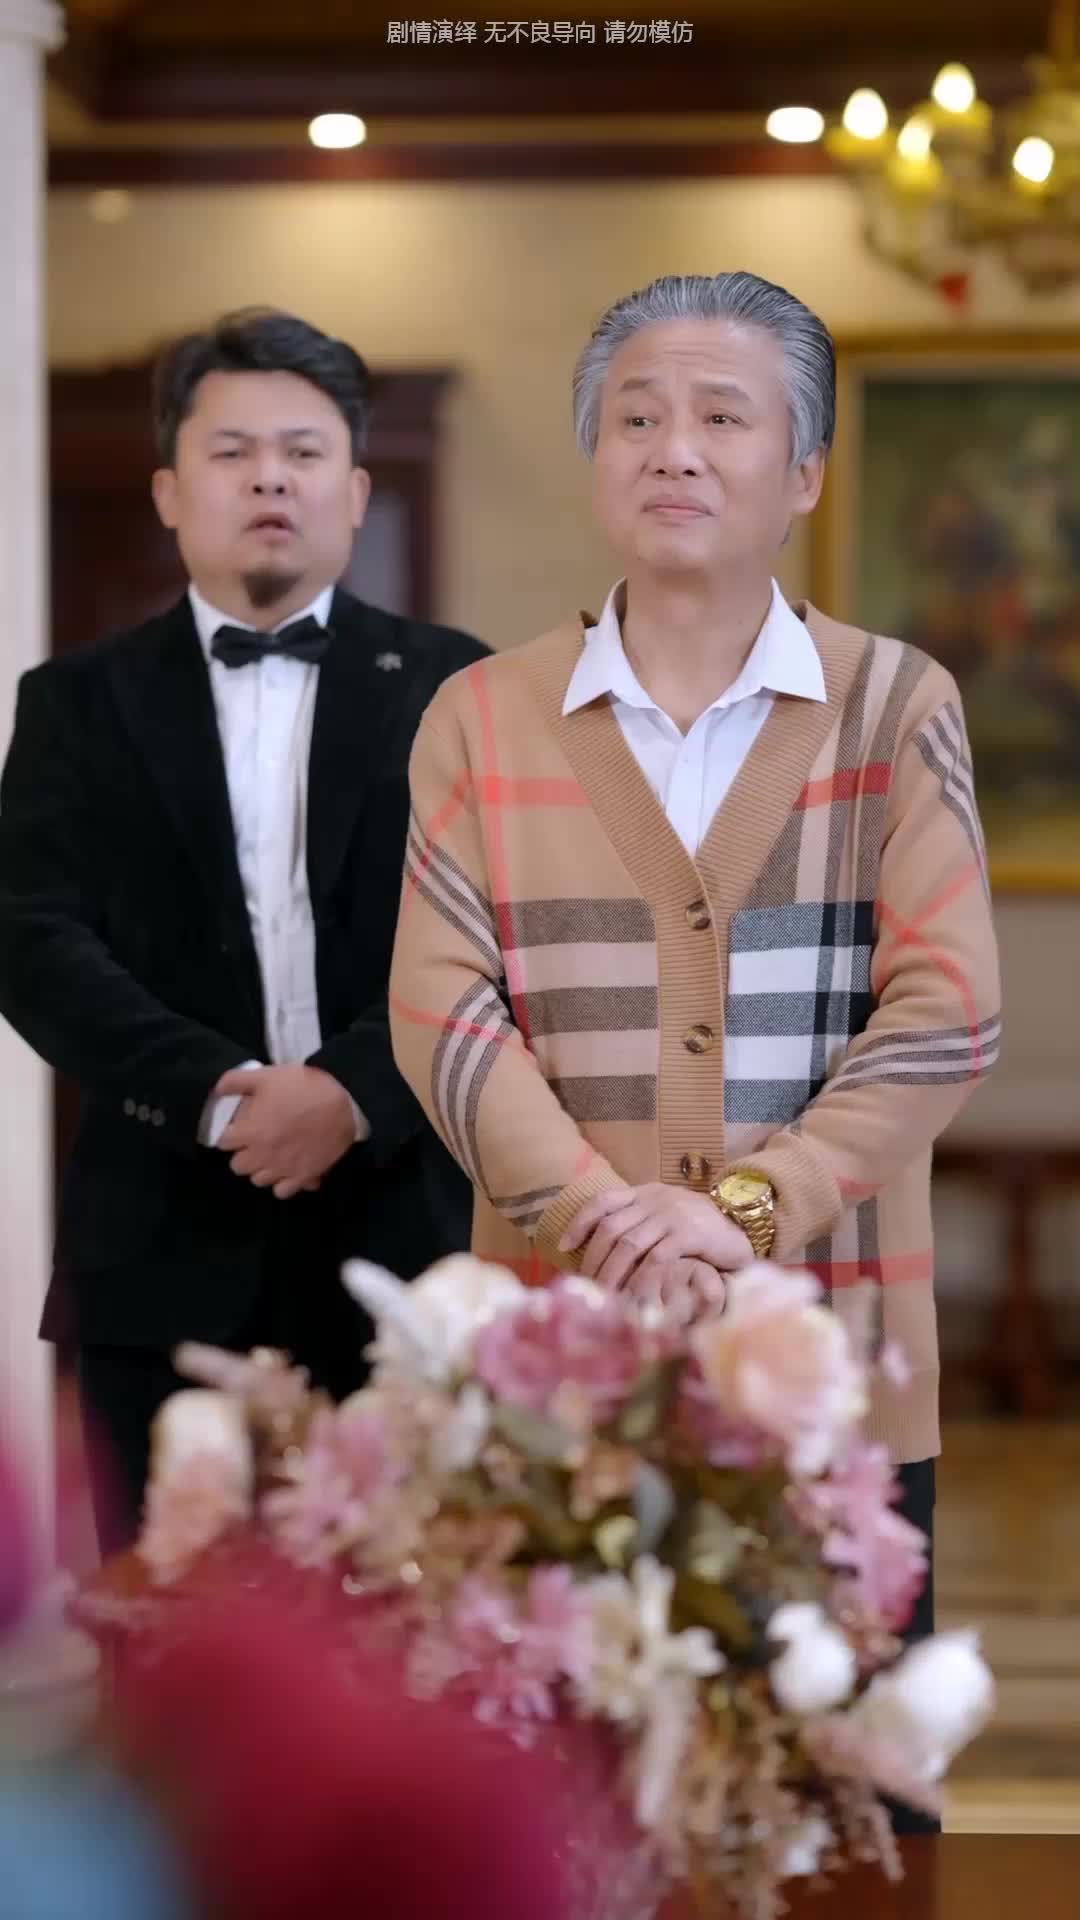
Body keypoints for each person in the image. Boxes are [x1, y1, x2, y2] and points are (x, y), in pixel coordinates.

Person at [389, 272, 1001, 1827]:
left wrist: (745, 1207)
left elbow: (949, 1010)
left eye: (724, 417)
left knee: (842, 1813)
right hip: (554, 1374)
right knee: (562, 1820)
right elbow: (442, 1012)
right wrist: (605, 1216)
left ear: (804, 474)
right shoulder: (479, 716)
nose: (674, 448)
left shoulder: (895, 705)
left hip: (834, 1369)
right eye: (638, 417)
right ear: (597, 460)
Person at [0, 307, 487, 1553]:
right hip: (153, 1244)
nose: (270, 477)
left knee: (411, 1621)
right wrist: (219, 1095)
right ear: (170, 491)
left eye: (303, 451)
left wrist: (350, 1092)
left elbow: (499, 937)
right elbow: (33, 941)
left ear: (355, 491)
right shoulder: (73, 703)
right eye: (232, 451)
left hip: (407, 1246)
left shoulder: (463, 689)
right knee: (162, 1627)